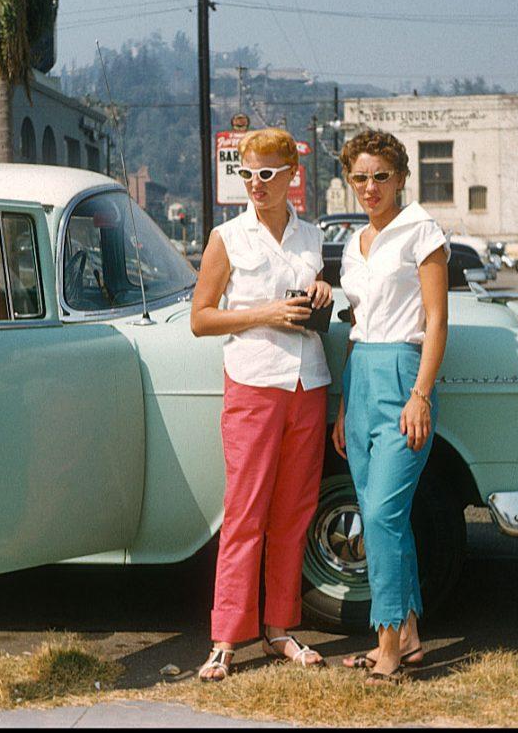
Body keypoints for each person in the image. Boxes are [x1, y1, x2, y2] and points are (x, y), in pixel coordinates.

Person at [189, 127, 334, 682]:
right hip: (252, 383)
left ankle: (279, 629)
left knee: (294, 513)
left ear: (292, 176)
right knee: (245, 512)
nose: (255, 184)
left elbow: (313, 297)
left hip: (307, 382)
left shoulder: (311, 236)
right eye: (246, 174)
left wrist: (320, 291)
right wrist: (264, 314)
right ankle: (225, 639)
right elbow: (202, 318)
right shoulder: (227, 237)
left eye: (267, 174)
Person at [331, 129, 449, 686]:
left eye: (381, 176)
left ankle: (387, 651)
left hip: (404, 375)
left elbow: (435, 319)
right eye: (360, 177)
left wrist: (421, 394)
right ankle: (411, 637)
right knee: (382, 515)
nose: (370, 187)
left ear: (401, 177)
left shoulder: (420, 231)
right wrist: (342, 406)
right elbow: (356, 326)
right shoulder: (355, 244)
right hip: (360, 380)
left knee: (381, 516)